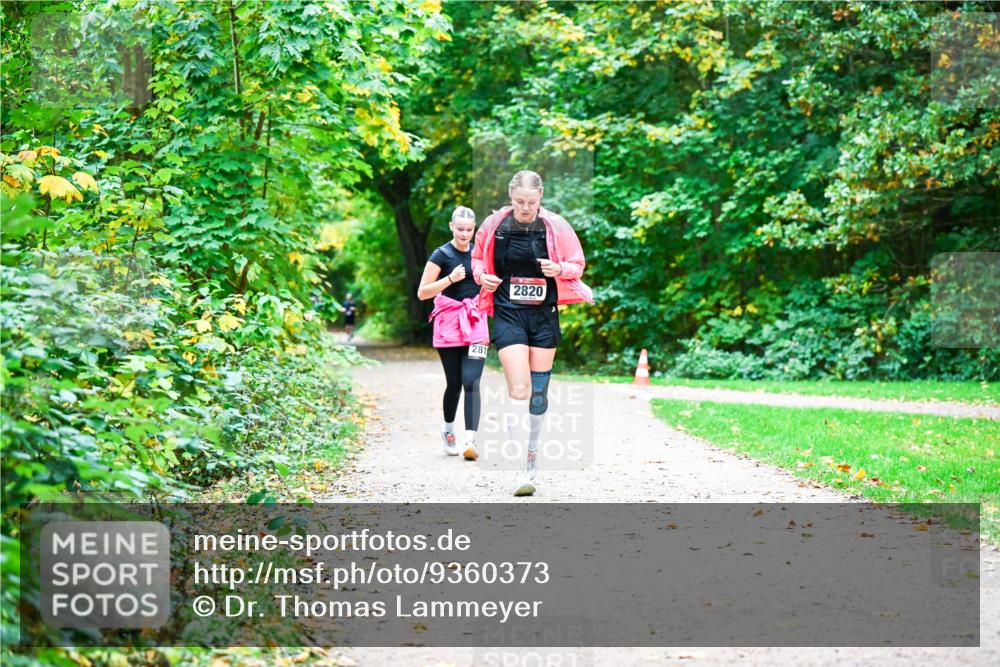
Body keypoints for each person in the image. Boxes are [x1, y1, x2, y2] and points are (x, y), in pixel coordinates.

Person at [472, 170, 593, 496]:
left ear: (541, 198)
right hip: (508, 313)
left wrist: (560, 270)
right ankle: (519, 468)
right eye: (519, 202)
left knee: (538, 393)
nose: (526, 208)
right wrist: (483, 277)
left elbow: (576, 264)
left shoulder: (556, 225)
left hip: (543, 314)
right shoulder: (493, 224)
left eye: (532, 202)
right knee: (520, 387)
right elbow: (476, 260)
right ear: (510, 197)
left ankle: (532, 453)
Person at [417, 206, 490, 460]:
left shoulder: (479, 254)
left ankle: (471, 441)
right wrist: (449, 279)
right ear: (451, 227)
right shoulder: (441, 254)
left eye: (469, 230)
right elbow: (423, 292)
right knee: (455, 383)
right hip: (449, 323)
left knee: (472, 381)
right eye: (460, 229)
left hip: (476, 321)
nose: (465, 233)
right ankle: (448, 430)